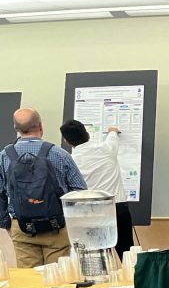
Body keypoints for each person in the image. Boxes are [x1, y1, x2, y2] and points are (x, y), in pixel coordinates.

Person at [0, 108, 86, 268]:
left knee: (30, 280)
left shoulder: (4, 156)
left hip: (22, 227)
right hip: (56, 227)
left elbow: (0, 194)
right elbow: (80, 191)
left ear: (15, 128)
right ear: (40, 126)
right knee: (58, 279)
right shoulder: (59, 154)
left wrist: (6, 224)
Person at [59, 120, 133, 258]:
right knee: (127, 253)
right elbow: (112, 135)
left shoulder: (71, 160)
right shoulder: (106, 149)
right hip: (117, 208)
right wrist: (112, 130)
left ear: (67, 141)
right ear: (87, 134)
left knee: (97, 257)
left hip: (90, 213)